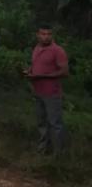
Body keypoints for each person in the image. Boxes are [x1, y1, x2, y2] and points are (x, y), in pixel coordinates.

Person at [23, 24, 69, 155]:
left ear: (52, 35)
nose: (46, 37)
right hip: (38, 91)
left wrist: (42, 76)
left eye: (49, 34)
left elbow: (65, 72)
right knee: (41, 122)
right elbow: (35, 65)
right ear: (38, 35)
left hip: (52, 93)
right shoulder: (37, 48)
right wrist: (29, 72)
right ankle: (43, 149)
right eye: (43, 34)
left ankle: (59, 153)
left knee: (55, 123)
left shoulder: (58, 50)